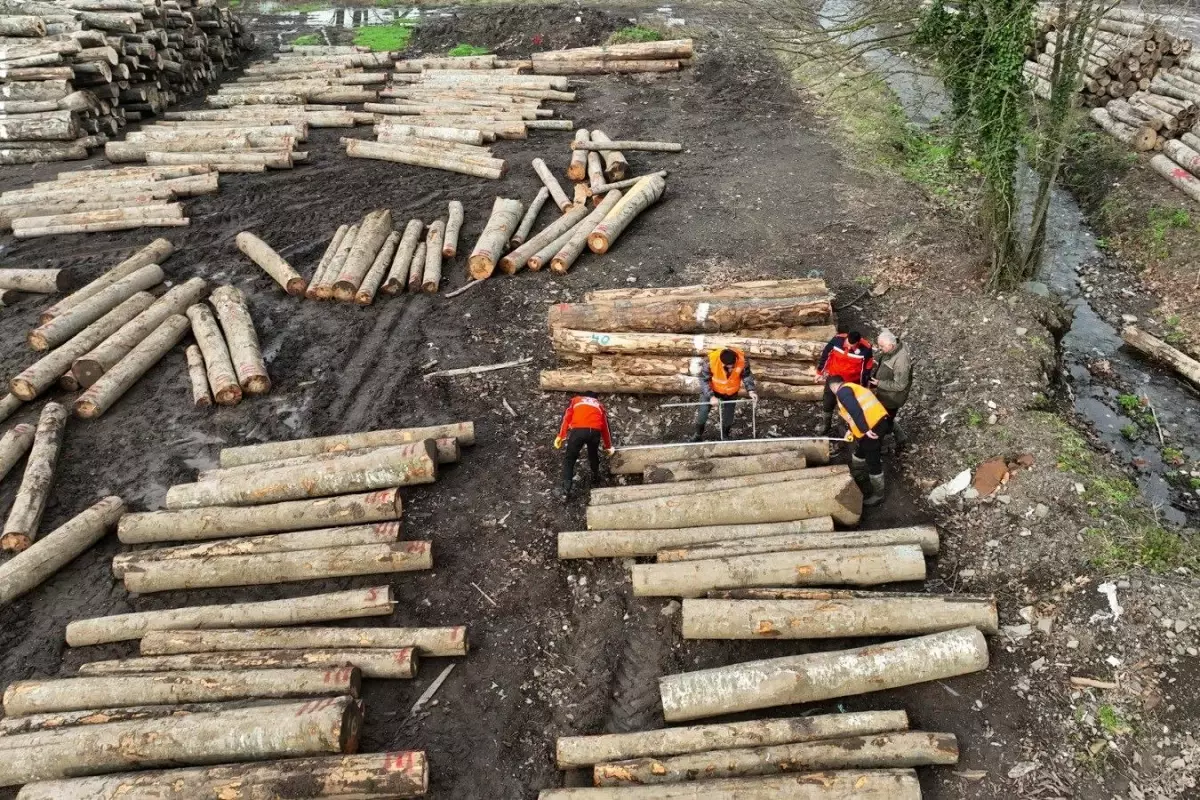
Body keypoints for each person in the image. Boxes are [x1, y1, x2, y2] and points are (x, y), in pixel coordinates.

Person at [825, 374, 888, 506]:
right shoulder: (851, 388)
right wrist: (851, 430)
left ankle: (878, 494)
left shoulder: (842, 391)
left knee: (873, 460)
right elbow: (853, 414)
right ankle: (859, 476)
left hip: (872, 427)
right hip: (877, 423)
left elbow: (855, 410)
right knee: (859, 453)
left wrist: (864, 429)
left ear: (832, 387)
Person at [554, 392, 613, 500]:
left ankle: (566, 490)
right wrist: (608, 446)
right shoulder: (599, 405)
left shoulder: (576, 400)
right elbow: (605, 427)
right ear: (595, 398)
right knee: (593, 454)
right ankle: (595, 476)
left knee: (569, 458)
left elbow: (566, 417)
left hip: (578, 430)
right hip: (595, 431)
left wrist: (560, 436)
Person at [692, 346, 758, 442]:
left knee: (728, 415)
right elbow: (703, 379)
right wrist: (711, 396)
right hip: (712, 390)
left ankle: (725, 435)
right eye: (728, 366)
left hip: (731, 392)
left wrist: (751, 390)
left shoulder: (743, 360)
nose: (731, 369)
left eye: (733, 366)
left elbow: (746, 375)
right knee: (703, 412)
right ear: (722, 362)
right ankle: (698, 435)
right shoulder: (710, 361)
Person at [817, 330, 874, 435]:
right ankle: (826, 424)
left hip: (850, 383)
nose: (848, 346)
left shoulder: (866, 349)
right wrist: (820, 372)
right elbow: (826, 354)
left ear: (858, 342)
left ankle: (841, 426)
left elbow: (866, 370)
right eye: (847, 342)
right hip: (833, 378)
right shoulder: (837, 340)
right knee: (827, 402)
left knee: (845, 406)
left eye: (851, 345)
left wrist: (863, 386)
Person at [871, 329, 912, 445]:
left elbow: (900, 385)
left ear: (891, 345)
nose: (880, 349)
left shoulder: (901, 362)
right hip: (885, 393)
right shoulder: (893, 349)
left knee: (886, 420)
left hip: (892, 398)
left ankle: (887, 441)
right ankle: (898, 435)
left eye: (882, 346)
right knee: (883, 416)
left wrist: (879, 383)